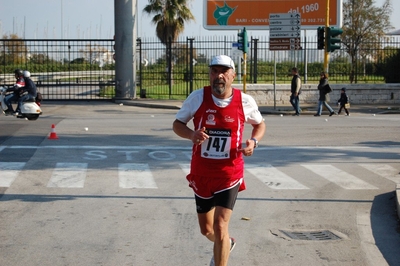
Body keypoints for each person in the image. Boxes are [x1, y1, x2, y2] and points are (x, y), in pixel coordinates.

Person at [172, 55, 266, 266]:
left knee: (221, 225)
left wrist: (253, 142)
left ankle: (221, 249)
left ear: (233, 75)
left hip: (229, 173)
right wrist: (191, 135)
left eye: (224, 72)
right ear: (210, 75)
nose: (219, 76)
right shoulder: (197, 98)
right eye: (214, 71)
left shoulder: (245, 101)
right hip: (202, 172)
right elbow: (177, 124)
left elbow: (260, 125)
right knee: (207, 230)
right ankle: (225, 244)